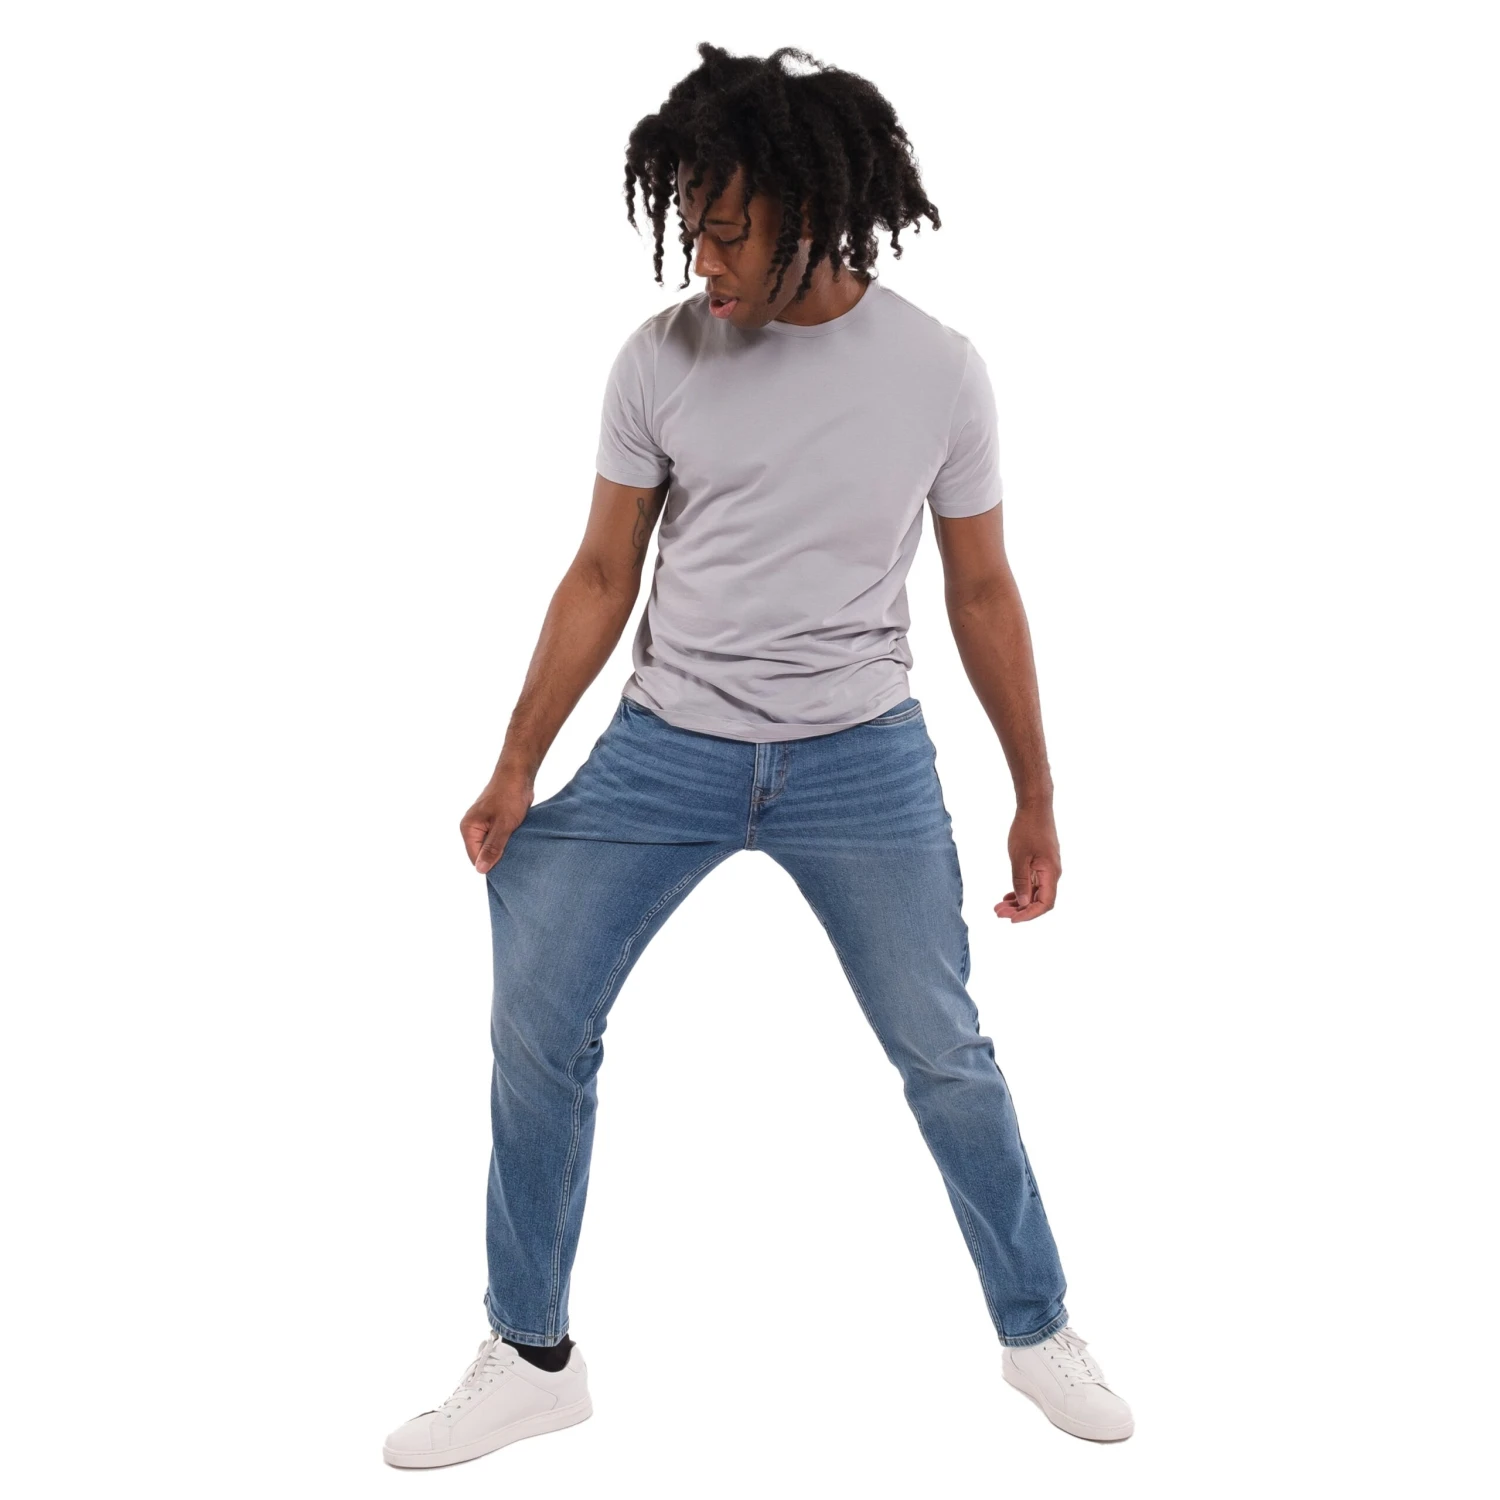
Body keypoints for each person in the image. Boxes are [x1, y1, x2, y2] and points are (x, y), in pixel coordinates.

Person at [383, 42, 1133, 1468]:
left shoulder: (937, 371)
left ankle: (1037, 1330)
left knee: (944, 1049)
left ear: (810, 212)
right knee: (536, 1018)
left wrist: (1035, 792)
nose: (702, 259)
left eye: (727, 230)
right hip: (666, 748)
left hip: (861, 755)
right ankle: (531, 1354)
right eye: (690, 225)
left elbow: (981, 590)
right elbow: (601, 573)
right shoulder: (660, 357)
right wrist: (517, 760)